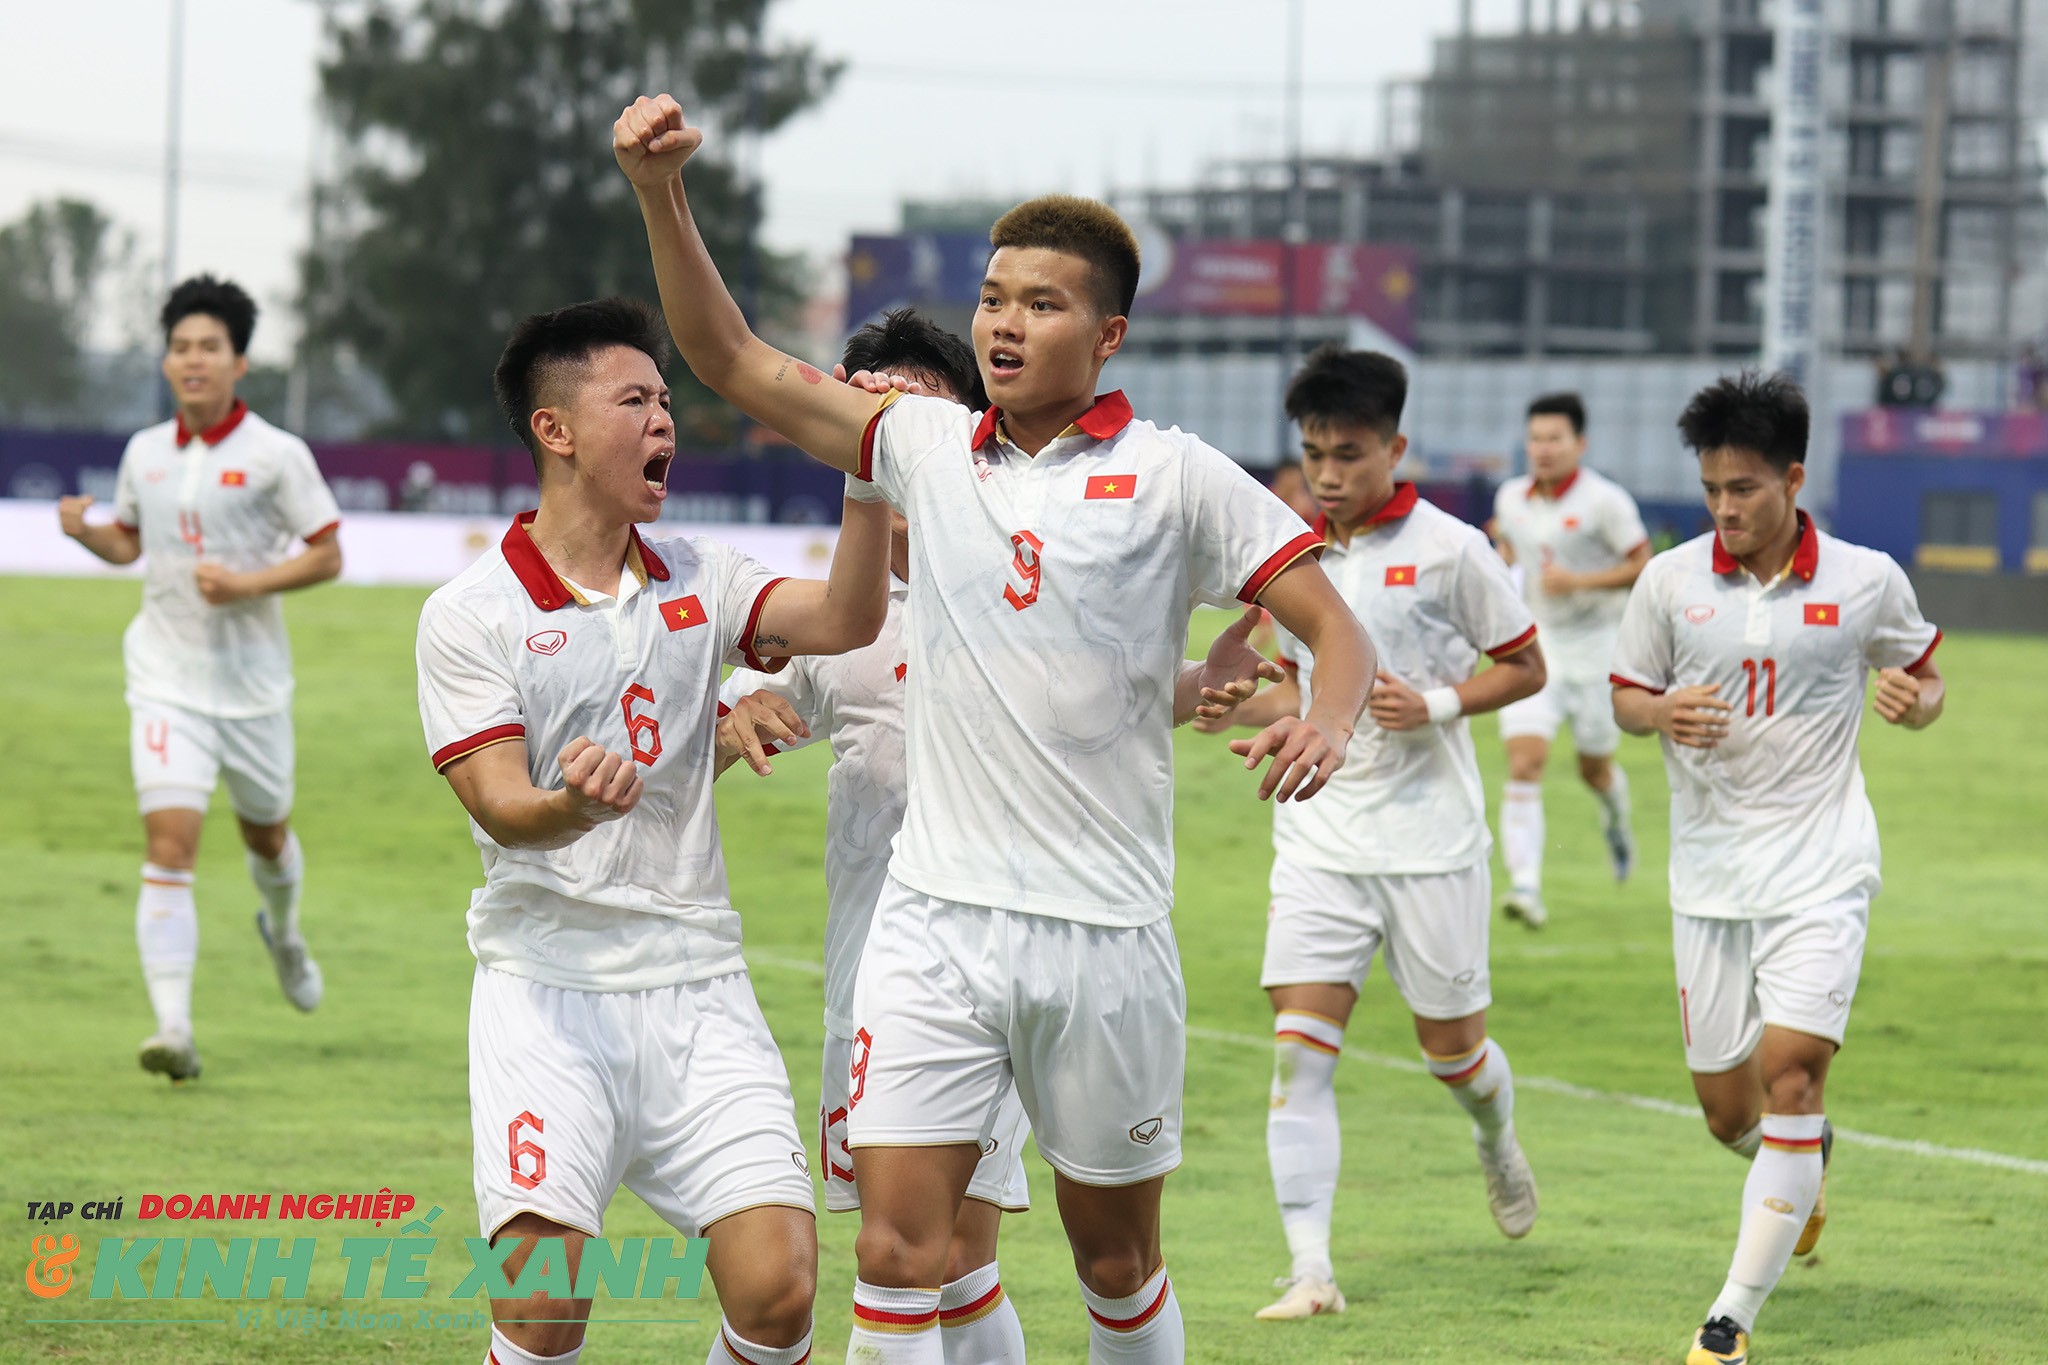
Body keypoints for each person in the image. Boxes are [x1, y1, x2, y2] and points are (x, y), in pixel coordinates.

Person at [613, 93, 1375, 1364]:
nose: (1003, 322)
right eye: (992, 297)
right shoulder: (918, 445)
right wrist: (660, 193)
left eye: (1040, 302)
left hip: (1105, 939)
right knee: (897, 1259)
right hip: (933, 929)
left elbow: (1331, 627)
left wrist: (1333, 720)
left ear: (1108, 332)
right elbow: (732, 358)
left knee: (1114, 1266)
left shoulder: (1177, 477)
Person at [415, 297, 895, 1365]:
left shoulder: (700, 573)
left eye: (668, 401)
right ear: (557, 431)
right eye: (635, 400)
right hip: (546, 993)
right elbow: (499, 806)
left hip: (697, 986)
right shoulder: (469, 613)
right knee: (541, 1310)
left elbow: (847, 621)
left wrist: (866, 473)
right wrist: (571, 805)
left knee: (778, 1292)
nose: (665, 423)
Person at [1197, 347, 1547, 1320]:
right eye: (1310, 453)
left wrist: (1433, 702)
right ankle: (1309, 1271)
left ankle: (1494, 1139)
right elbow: (1281, 675)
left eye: (1347, 453)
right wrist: (1248, 702)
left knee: (1453, 1055)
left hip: (1431, 842)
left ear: (1395, 447)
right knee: (1298, 1051)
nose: (1325, 473)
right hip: (1319, 839)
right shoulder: (1285, 551)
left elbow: (1524, 667)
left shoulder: (1453, 549)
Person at [1609, 372, 1945, 1365]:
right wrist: (1659, 713)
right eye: (1712, 487)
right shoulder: (1668, 581)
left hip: (1820, 865)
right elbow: (1627, 695)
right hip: (1707, 874)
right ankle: (1801, 1168)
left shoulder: (1863, 579)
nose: (1724, 506)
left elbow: (1923, 678)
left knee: (1789, 1075)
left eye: (1744, 488)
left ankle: (1728, 1320)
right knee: (1727, 1114)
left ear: (1792, 479)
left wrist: (1910, 704)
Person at [57, 274, 342, 1083]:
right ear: (167, 360)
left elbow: (328, 552)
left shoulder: (277, 456)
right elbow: (129, 544)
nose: (192, 360)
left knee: (267, 837)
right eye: (180, 347)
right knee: (168, 844)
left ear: (239, 361)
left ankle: (284, 934)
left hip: (253, 690)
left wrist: (248, 584)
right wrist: (86, 532)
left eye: (208, 347)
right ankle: (173, 1028)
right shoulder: (143, 452)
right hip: (164, 679)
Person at [1490, 392, 1651, 928]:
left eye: (1554, 438)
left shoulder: (1607, 502)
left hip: (1600, 650)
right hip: (1537, 649)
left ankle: (1617, 826)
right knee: (1524, 762)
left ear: (1579, 444)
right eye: (1535, 438)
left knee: (1594, 769)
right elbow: (1510, 554)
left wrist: (1579, 581)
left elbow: (1642, 565)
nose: (1543, 448)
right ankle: (1526, 889)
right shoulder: (1511, 497)